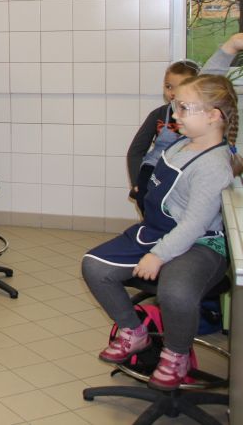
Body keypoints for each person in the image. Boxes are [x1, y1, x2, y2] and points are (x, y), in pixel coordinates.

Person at [82, 73, 239, 389]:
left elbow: (194, 224)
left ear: (213, 116)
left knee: (174, 291)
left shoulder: (213, 165)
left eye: (183, 108)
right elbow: (204, 86)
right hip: (158, 230)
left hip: (199, 244)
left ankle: (176, 354)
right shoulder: (181, 143)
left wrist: (158, 255)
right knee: (95, 266)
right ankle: (134, 331)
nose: (175, 115)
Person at [126, 60, 201, 198]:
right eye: (168, 86)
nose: (172, 93)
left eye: (180, 87)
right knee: (146, 198)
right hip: (154, 168)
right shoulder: (158, 115)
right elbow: (136, 151)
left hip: (184, 171)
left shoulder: (203, 117)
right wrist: (136, 182)